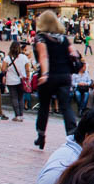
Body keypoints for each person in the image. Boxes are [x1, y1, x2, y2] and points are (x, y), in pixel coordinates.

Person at [33, 10, 80, 150]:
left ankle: (41, 136)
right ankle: (73, 136)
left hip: (50, 76)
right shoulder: (63, 38)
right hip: (65, 75)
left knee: (44, 106)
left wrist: (45, 73)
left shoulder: (40, 38)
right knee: (66, 106)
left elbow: (44, 56)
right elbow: (74, 53)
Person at [4, 40, 32, 122]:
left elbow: (3, 69)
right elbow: (27, 69)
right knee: (20, 97)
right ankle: (21, 114)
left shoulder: (7, 58)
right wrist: (27, 78)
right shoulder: (24, 57)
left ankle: (17, 115)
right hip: (21, 80)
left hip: (11, 80)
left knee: (14, 97)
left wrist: (8, 69)